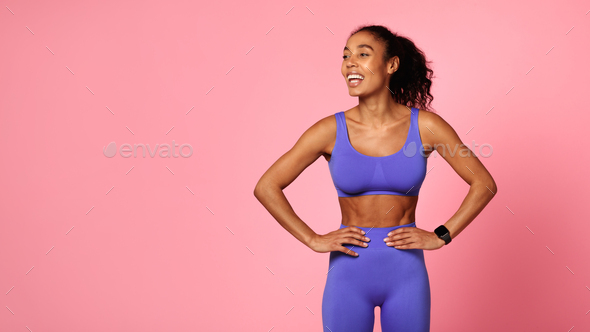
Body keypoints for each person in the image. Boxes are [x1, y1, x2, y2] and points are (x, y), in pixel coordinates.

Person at [253, 24, 497, 332]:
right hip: (349, 272)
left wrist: (441, 235)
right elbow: (267, 186)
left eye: (363, 54)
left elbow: (484, 184)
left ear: (391, 65)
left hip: (406, 272)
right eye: (345, 56)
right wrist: (312, 239)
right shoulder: (328, 131)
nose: (350, 63)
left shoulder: (426, 127)